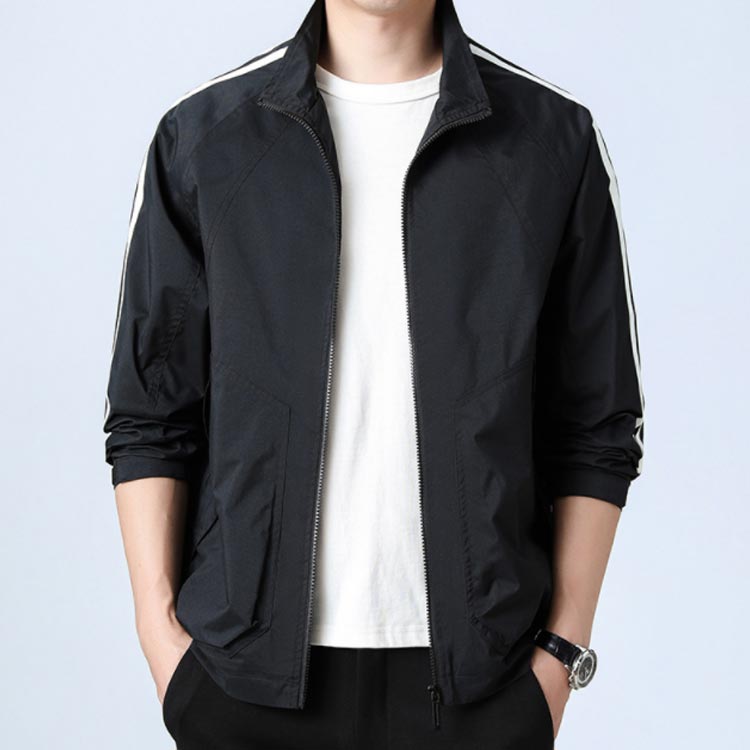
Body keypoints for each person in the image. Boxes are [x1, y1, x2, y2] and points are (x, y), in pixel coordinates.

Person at [102, 0, 645, 747]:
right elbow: (150, 410)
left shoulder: (551, 140)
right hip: (245, 682)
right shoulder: (205, 138)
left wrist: (560, 654)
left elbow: (598, 423)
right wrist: (161, 638)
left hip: (481, 688)